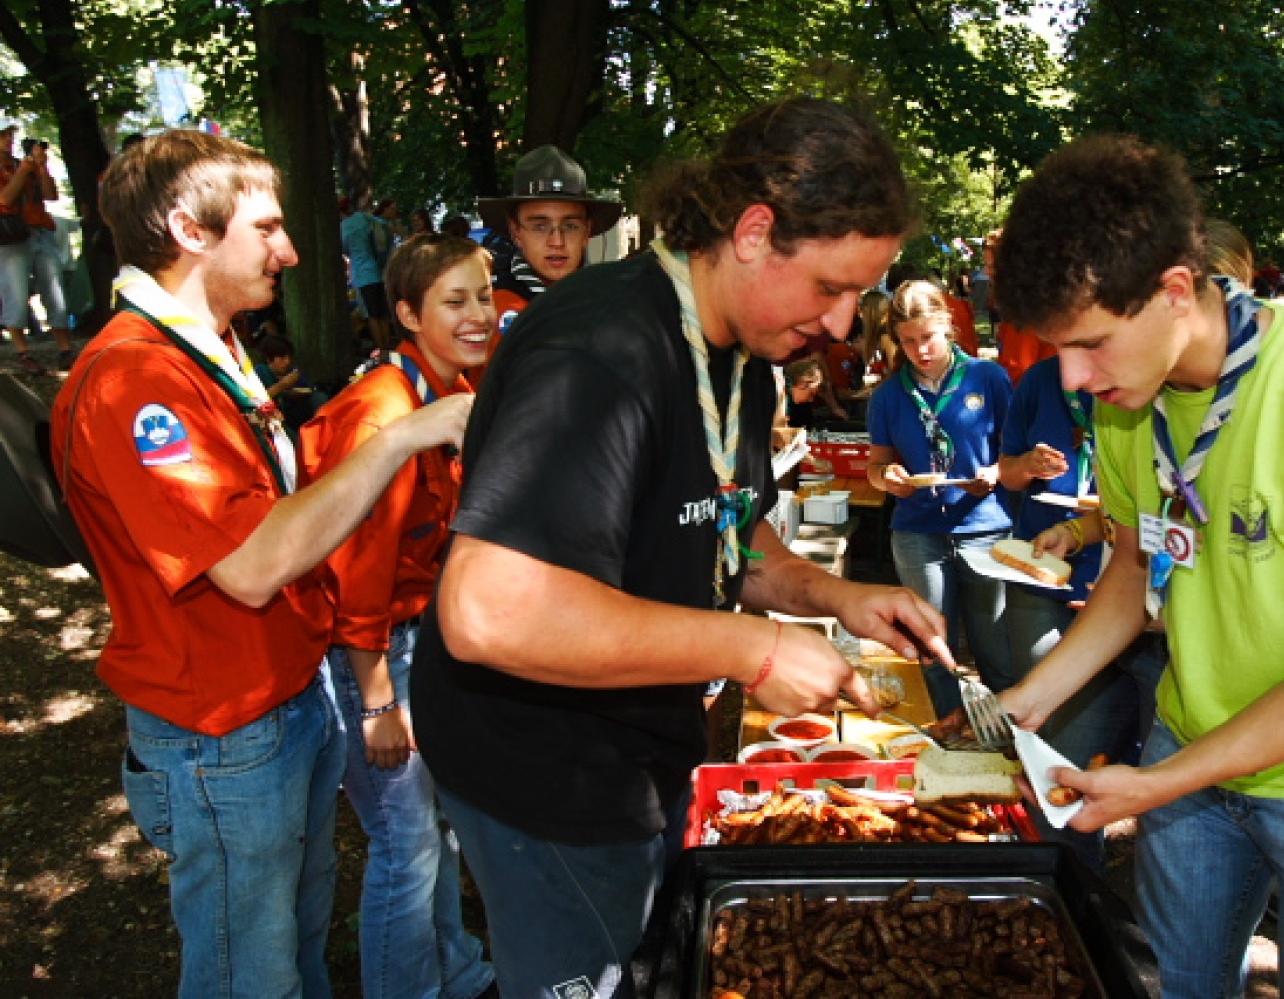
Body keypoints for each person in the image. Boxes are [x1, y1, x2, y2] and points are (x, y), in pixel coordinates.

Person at [410, 96, 945, 999]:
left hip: (639, 751)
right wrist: (756, 646)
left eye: (861, 295)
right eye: (830, 288)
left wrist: (836, 597)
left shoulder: (736, 349)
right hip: (544, 771)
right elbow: (490, 611)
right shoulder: (601, 350)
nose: (847, 325)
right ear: (753, 231)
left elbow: (725, 530)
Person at [993, 135, 1284, 999]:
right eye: (1058, 347)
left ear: (1176, 290)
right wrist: (1024, 703)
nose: (1072, 375)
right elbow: (1131, 573)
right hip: (1194, 748)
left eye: (1090, 343)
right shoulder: (1131, 402)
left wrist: (1158, 783)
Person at [50, 129, 473, 999]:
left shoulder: (211, 348)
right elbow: (247, 564)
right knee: (252, 974)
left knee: (294, 949)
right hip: (223, 733)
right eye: (268, 228)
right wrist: (401, 440)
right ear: (189, 230)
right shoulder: (137, 382)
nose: (289, 250)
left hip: (283, 704)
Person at [300, 234, 497, 999]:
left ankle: (455, 970)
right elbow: (357, 579)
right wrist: (379, 702)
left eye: (482, 295)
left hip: (422, 639)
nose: (478, 315)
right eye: (455, 301)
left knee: (433, 832)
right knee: (405, 842)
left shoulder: (453, 394)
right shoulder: (384, 414)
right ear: (408, 313)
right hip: (372, 654)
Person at [996, 353, 1157, 871]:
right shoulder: (1118, 414)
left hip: (1173, 654)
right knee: (1055, 793)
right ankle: (1073, 903)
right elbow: (1125, 531)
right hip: (1117, 634)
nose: (1073, 378)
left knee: (1172, 840)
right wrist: (1076, 531)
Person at [865, 278, 1014, 716]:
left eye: (927, 337)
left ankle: (1009, 737)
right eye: (908, 342)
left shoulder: (989, 378)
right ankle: (948, 736)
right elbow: (876, 466)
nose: (920, 350)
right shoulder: (889, 396)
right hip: (918, 532)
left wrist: (997, 472)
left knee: (995, 649)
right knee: (933, 646)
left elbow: (1013, 452)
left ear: (948, 325)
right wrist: (887, 477)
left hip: (984, 526)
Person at [476, 144, 622, 341]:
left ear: (586, 232)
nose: (557, 241)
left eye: (570, 226)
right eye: (540, 226)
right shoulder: (489, 310)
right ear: (516, 232)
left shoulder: (612, 306)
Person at [0, 129, 75, 373]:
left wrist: (41, 167)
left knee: (56, 292)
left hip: (41, 232)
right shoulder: (19, 168)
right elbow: (5, 199)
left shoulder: (25, 165)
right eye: (3, 137)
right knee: (16, 295)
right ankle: (24, 354)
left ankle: (66, 350)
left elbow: (50, 195)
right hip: (12, 238)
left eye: (10, 136)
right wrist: (24, 170)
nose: (8, 141)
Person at [342, 195, 396, 349]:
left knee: (372, 315)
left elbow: (344, 250)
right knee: (382, 313)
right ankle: (389, 345)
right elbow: (384, 225)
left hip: (362, 276)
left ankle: (382, 349)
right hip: (377, 272)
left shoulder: (342, 227)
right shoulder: (363, 217)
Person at [254, 333, 327, 433]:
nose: (287, 362)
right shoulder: (260, 371)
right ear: (269, 359)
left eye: (289, 357)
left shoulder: (291, 371)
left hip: (293, 413)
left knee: (318, 397)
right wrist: (281, 386)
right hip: (272, 419)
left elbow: (308, 389)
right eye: (282, 358)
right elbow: (256, 399)